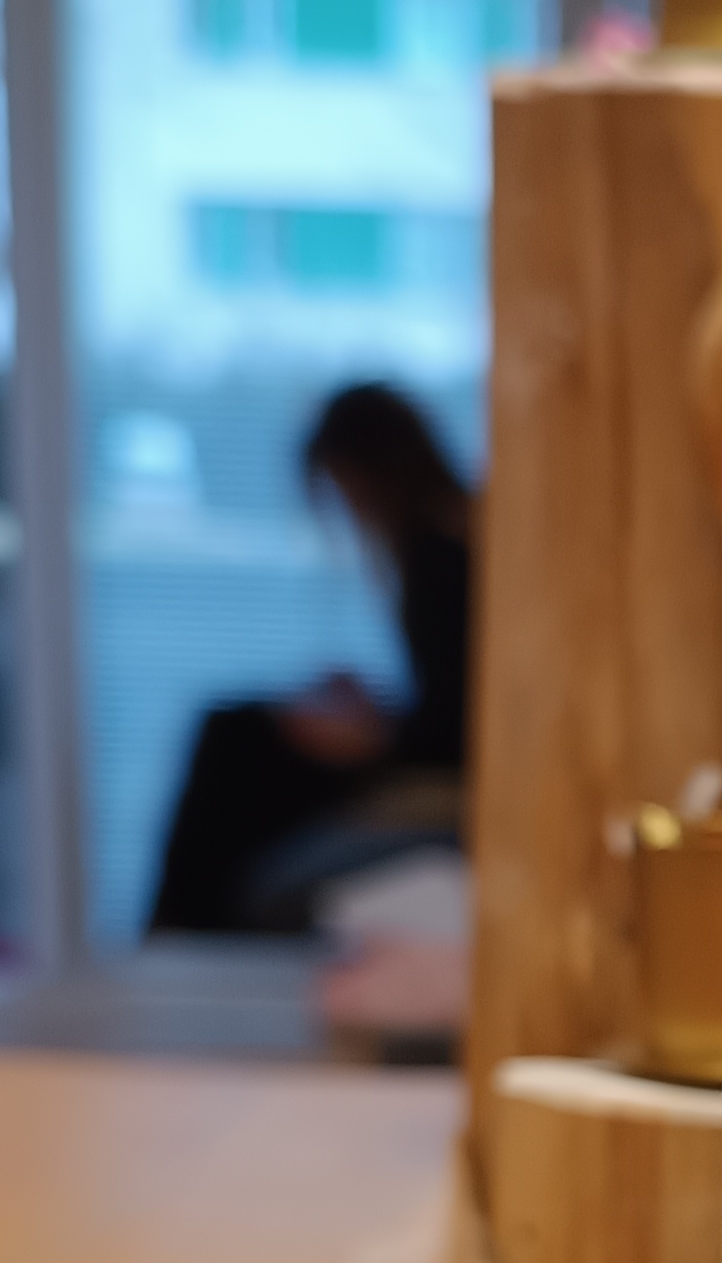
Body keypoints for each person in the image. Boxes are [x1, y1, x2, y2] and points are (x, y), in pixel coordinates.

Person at [145, 382, 475, 934]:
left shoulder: (438, 557)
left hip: (434, 775)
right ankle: (186, 923)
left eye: (342, 485)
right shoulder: (441, 548)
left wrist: (370, 736)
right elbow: (452, 698)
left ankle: (183, 923)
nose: (347, 505)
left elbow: (455, 731)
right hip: (422, 755)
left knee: (236, 738)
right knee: (240, 729)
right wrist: (374, 710)